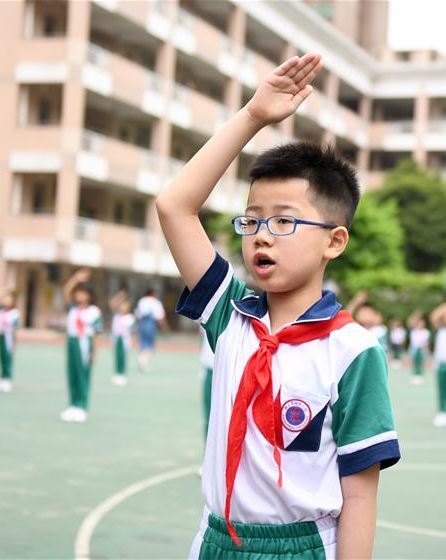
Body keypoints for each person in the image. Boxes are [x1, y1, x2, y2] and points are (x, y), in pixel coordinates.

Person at [155, 53, 400, 559]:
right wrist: (252, 117)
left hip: (303, 546)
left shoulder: (353, 350)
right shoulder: (230, 316)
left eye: (284, 222)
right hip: (219, 540)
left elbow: (359, 492)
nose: (262, 236)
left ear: (334, 242)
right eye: (252, 221)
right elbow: (174, 205)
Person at [60, 268, 102, 423]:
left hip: (85, 344)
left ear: (90, 296)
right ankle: (72, 405)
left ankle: (82, 406)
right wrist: (75, 279)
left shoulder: (94, 311)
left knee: (83, 375)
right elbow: (66, 291)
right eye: (78, 292)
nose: (80, 295)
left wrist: (95, 351)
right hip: (72, 343)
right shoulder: (73, 308)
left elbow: (96, 333)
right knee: (72, 373)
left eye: (84, 293)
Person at [0, 290, 20, 393]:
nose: (6, 301)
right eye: (5, 299)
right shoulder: (0, 310)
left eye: (9, 299)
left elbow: (15, 330)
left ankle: (7, 378)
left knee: (8, 359)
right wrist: (3, 291)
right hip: (1, 337)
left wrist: (14, 343)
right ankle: (1, 376)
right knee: (1, 357)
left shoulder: (14, 313)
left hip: (9, 338)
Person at [135, 288, 168, 372]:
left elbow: (138, 315)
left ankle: (142, 359)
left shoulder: (142, 301)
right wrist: (164, 328)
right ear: (152, 294)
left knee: (143, 344)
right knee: (149, 346)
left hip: (142, 324)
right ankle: (143, 360)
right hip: (150, 324)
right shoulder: (156, 302)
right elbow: (160, 316)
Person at [110, 290, 136, 387]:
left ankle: (122, 374)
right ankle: (117, 374)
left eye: (125, 306)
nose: (122, 308)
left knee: (122, 357)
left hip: (124, 339)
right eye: (121, 306)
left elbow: (132, 330)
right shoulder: (116, 316)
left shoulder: (130, 318)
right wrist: (121, 296)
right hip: (116, 339)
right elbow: (113, 304)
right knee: (116, 357)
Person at [408, 312, 430, 385]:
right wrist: (416, 315)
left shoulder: (426, 332)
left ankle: (421, 375)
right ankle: (414, 375)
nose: (421, 325)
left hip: (422, 349)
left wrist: (427, 350)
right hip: (414, 349)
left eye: (422, 323)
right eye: (419, 323)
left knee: (421, 362)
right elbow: (410, 322)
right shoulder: (414, 331)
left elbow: (426, 343)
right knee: (414, 362)